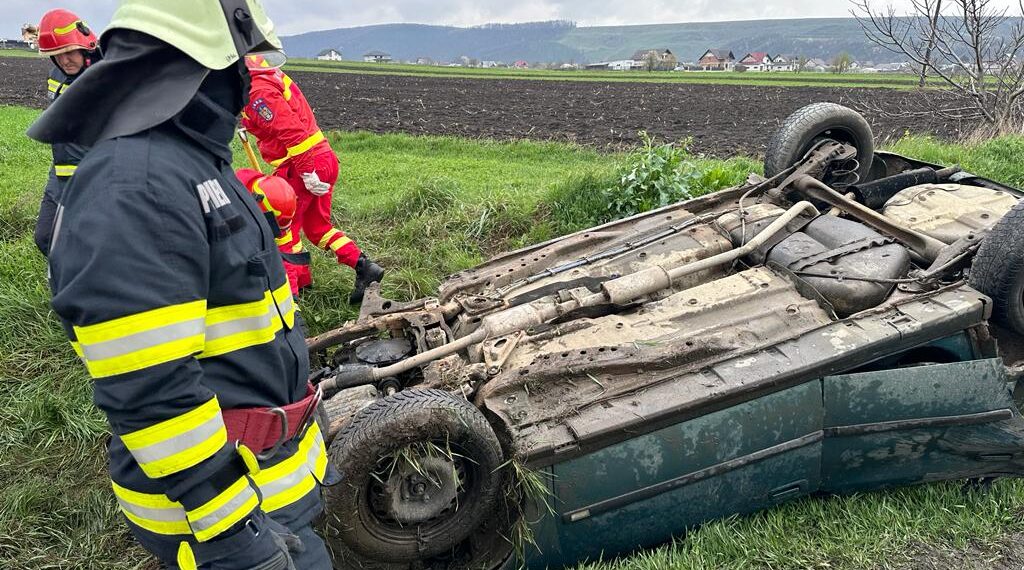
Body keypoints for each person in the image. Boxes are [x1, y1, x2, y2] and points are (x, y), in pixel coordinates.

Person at [27, 1, 332, 568]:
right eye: (242, 62)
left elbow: (243, 320)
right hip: (226, 518)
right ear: (207, 64)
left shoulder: (193, 162)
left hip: (270, 486)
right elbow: (151, 388)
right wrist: (238, 539)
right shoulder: (137, 184)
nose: (249, 79)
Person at [240, 55, 384, 304]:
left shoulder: (257, 90)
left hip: (301, 165)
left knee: (285, 234)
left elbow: (291, 131)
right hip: (323, 158)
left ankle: (291, 301)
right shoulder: (270, 77)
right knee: (318, 229)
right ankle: (364, 267)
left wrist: (306, 172)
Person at [33, 9, 102, 256]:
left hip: (98, 177)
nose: (64, 61)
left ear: (85, 45)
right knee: (46, 237)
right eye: (57, 55)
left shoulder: (108, 76)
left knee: (96, 245)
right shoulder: (56, 76)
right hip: (60, 176)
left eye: (69, 51)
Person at [236, 168, 313, 297]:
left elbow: (287, 258)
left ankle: (302, 281)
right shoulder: (231, 196)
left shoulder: (280, 208)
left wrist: (292, 298)